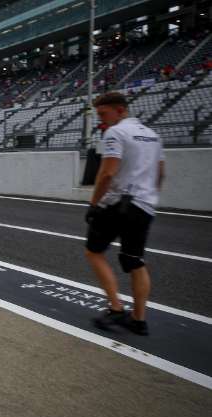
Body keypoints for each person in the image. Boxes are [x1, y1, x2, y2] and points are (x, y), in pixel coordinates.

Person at [85, 92, 165, 336]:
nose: (101, 119)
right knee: (135, 261)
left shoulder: (115, 133)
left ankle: (116, 308)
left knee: (94, 252)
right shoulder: (153, 136)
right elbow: (160, 173)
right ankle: (139, 321)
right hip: (145, 205)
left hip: (119, 203)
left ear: (120, 110)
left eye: (104, 114)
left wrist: (94, 204)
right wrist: (151, 198)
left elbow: (107, 173)